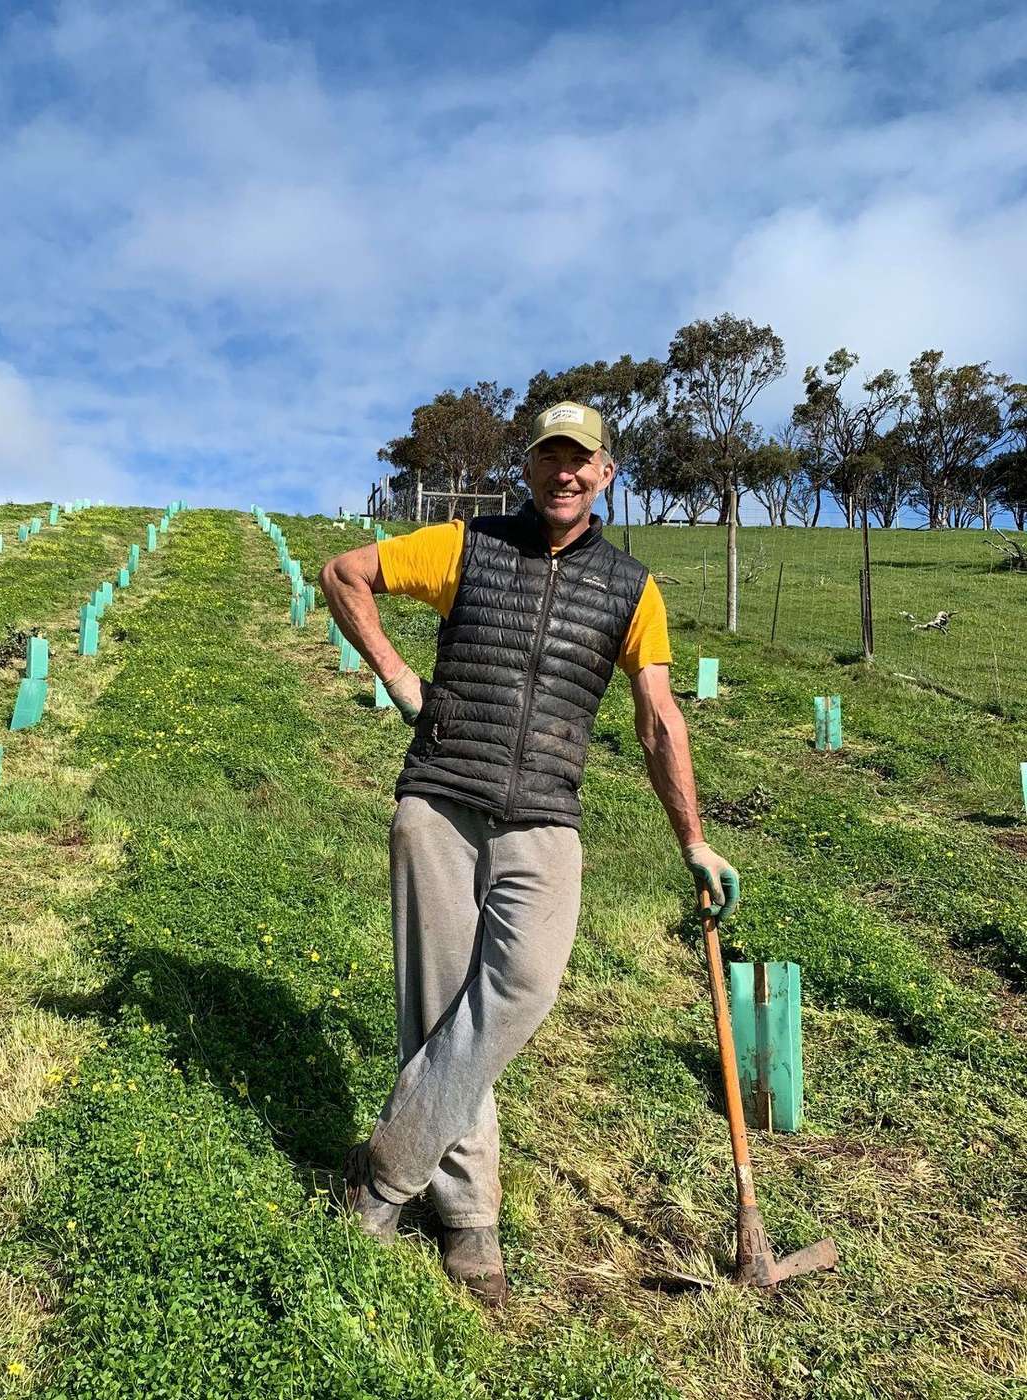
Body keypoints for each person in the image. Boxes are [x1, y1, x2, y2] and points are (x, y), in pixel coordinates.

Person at [319, 400, 740, 1308]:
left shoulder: (634, 590)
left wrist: (695, 841)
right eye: (552, 456)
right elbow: (344, 572)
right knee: (440, 1012)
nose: (566, 473)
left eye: (582, 460)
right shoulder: (466, 547)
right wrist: (398, 677)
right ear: (532, 465)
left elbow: (660, 718)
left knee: (520, 993)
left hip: (547, 817)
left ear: (606, 473)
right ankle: (471, 1220)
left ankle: (384, 1172)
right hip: (440, 802)